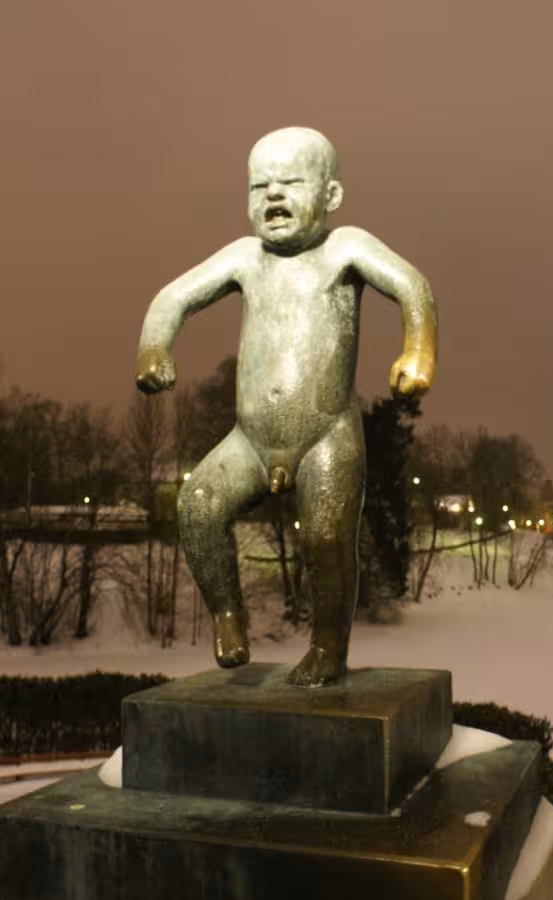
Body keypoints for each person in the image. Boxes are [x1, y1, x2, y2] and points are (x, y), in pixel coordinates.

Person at [136, 126, 437, 686]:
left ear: (331, 195)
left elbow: (413, 287)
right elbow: (171, 298)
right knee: (199, 504)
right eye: (259, 186)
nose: (272, 196)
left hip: (326, 435)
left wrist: (418, 350)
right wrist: (155, 347)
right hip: (250, 441)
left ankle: (328, 646)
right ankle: (228, 615)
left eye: (291, 183)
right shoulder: (247, 258)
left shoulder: (345, 247)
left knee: (325, 539)